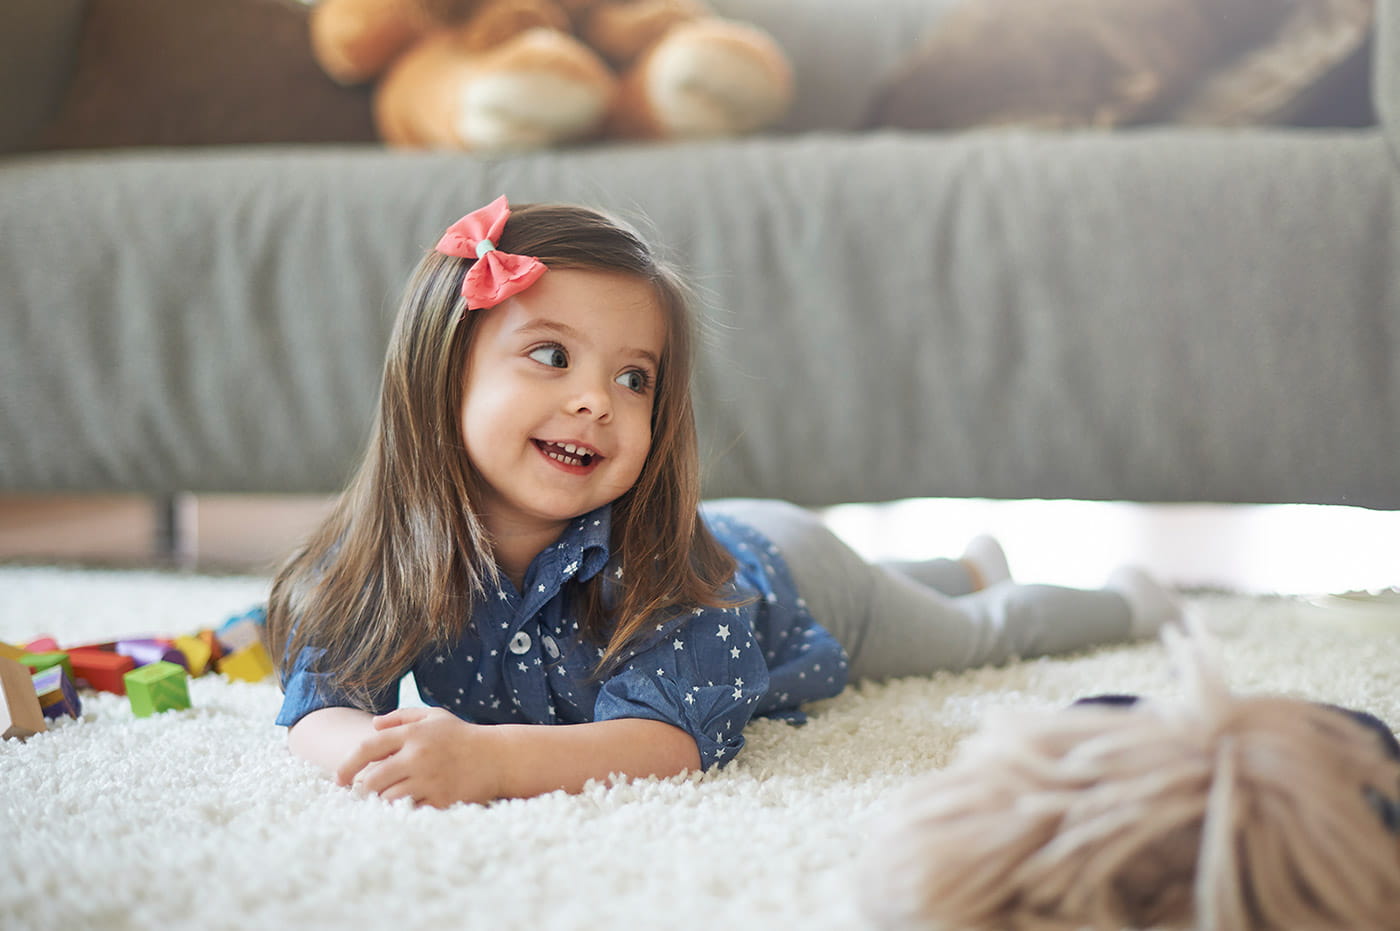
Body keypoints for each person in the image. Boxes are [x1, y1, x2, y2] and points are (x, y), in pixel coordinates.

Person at [266, 196, 1181, 809]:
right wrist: (374, 756)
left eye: (635, 378)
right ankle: (964, 560)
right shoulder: (381, 554)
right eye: (552, 356)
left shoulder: (665, 575)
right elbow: (321, 700)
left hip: (803, 580)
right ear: (440, 370)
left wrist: (490, 761)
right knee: (933, 587)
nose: (597, 400)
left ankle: (1125, 597)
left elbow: (670, 741)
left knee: (972, 632)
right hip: (748, 536)